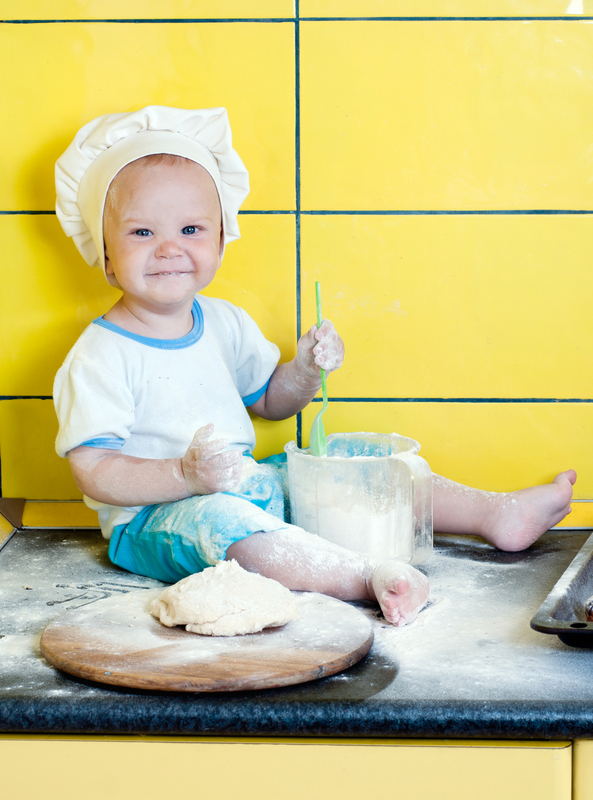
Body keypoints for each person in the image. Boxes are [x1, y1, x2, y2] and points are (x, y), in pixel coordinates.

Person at [53, 107, 575, 628]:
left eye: (191, 229)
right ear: (105, 254)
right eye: (142, 232)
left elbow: (270, 401)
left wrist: (304, 369)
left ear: (220, 241)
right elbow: (94, 470)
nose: (170, 249)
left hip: (244, 483)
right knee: (224, 522)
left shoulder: (224, 322)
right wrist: (182, 475)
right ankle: (365, 576)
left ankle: (495, 512)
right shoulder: (101, 355)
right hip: (156, 520)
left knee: (346, 464)